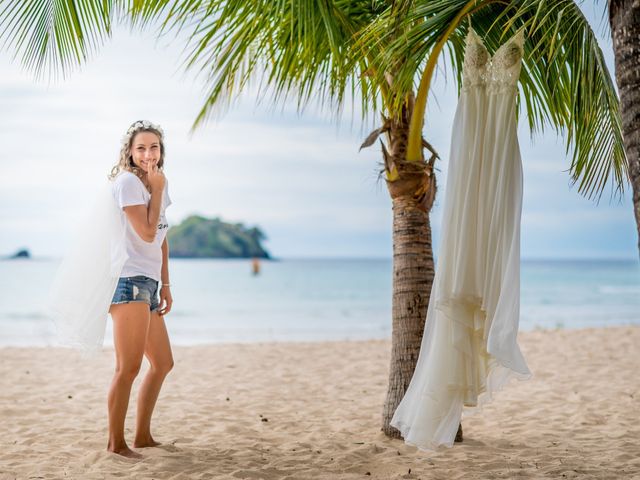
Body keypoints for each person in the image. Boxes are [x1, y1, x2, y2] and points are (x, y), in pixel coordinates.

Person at [106, 120, 174, 458]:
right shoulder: (129, 183)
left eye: (155, 147)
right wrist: (157, 189)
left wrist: (166, 284)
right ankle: (116, 444)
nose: (149, 153)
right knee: (128, 368)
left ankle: (143, 437)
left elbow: (161, 238)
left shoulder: (158, 184)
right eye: (142, 148)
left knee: (162, 363)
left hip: (148, 284)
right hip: (128, 282)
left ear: (161, 151)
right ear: (130, 153)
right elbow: (145, 233)